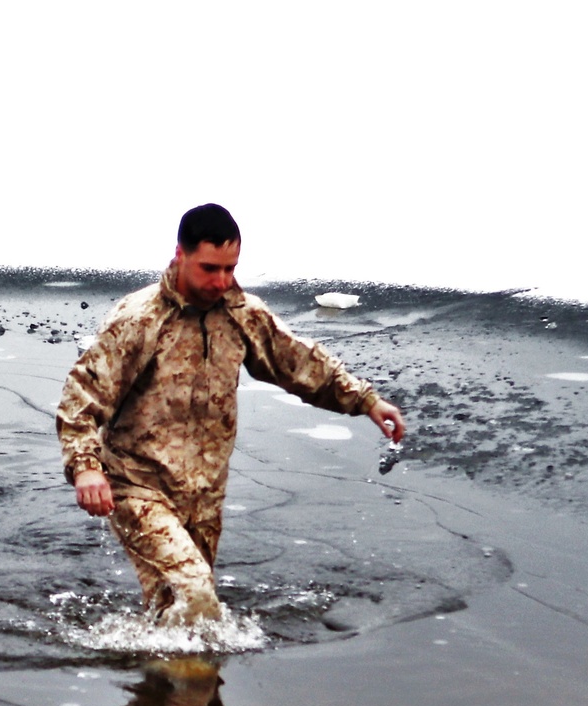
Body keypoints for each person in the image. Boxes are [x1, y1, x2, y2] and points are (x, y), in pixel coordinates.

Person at [56, 204, 406, 624]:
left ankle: (164, 683)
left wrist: (365, 400)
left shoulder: (241, 313)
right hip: (137, 485)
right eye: (209, 268)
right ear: (179, 255)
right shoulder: (140, 319)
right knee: (195, 590)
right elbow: (84, 393)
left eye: (229, 268)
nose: (220, 281)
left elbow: (296, 361)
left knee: (180, 614)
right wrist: (85, 468)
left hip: (205, 493)